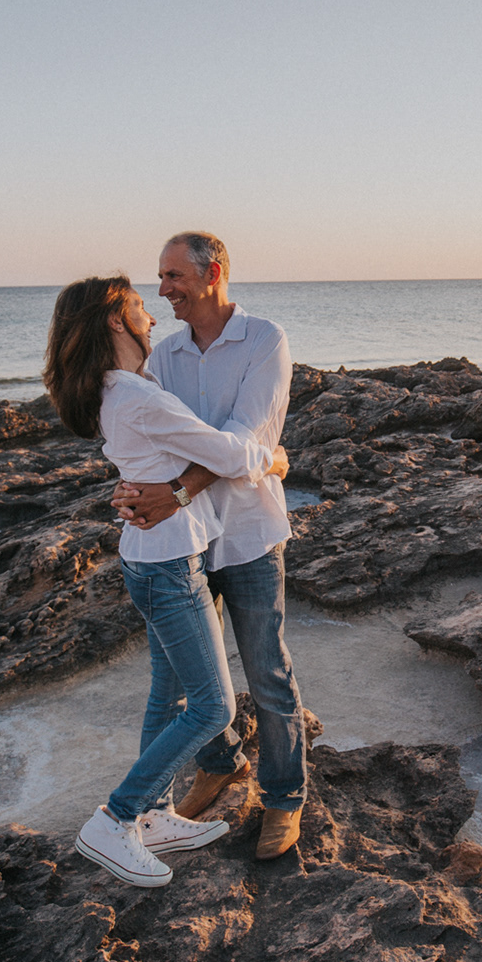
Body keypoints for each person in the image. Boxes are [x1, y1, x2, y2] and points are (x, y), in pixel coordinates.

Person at [42, 274, 289, 887]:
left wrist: (164, 486)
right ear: (113, 322)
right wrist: (275, 459)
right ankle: (117, 818)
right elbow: (232, 455)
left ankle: (153, 816)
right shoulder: (138, 396)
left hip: (155, 555)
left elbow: (164, 460)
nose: (152, 314)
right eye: (137, 306)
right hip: (169, 567)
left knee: (167, 694)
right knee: (212, 707)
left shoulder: (126, 388)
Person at [111, 231, 306, 860]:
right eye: (160, 278)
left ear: (212, 272)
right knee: (183, 678)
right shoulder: (163, 356)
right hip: (182, 543)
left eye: (172, 276)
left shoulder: (264, 341)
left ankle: (284, 799)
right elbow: (162, 438)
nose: (162, 289)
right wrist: (140, 490)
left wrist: (177, 491)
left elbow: (240, 438)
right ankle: (219, 764)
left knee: (266, 672)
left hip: (247, 536)